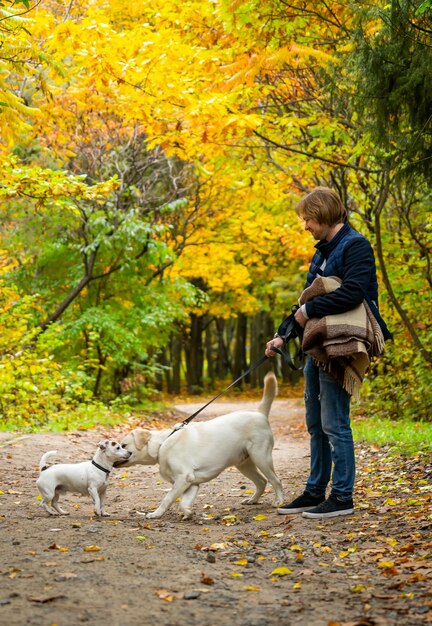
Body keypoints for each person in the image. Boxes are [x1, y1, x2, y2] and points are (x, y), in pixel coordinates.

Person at [265, 186, 390, 519]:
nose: (304, 226)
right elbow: (304, 304)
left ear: (321, 215)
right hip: (317, 346)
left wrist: (309, 310)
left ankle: (343, 496)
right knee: (315, 424)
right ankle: (314, 491)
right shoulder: (321, 252)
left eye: (307, 219)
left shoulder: (356, 245)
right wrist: (283, 334)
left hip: (341, 345)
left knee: (335, 422)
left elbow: (352, 293)